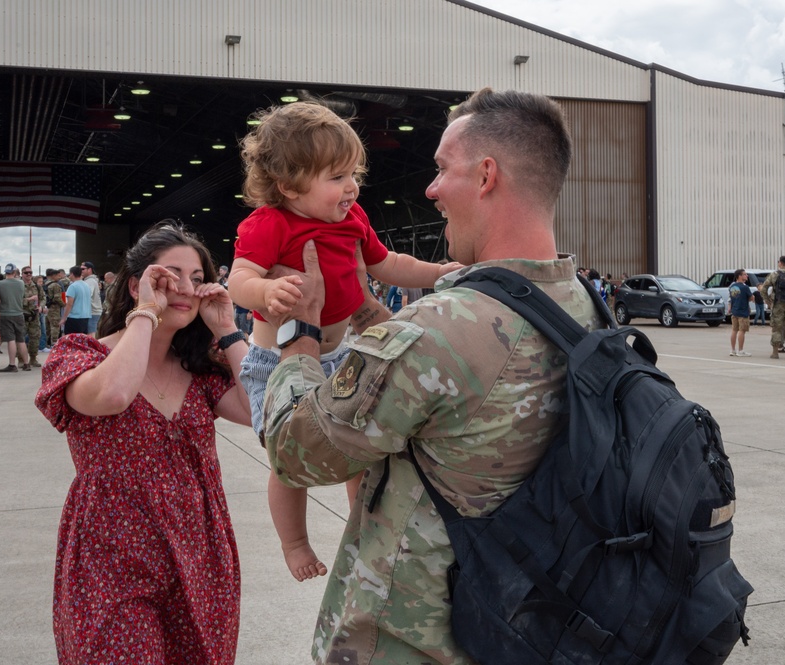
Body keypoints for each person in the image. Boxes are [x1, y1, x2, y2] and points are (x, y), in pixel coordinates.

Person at [262, 87, 605, 663]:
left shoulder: (439, 330)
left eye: (443, 168)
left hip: (416, 643)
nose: (430, 188)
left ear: (487, 175)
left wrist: (300, 334)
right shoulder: (588, 311)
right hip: (528, 625)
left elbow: (296, 452)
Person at [228, 100, 461, 581]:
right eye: (336, 177)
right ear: (290, 184)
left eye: (353, 173)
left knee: (360, 450)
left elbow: (388, 264)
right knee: (288, 462)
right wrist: (268, 290)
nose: (351, 186)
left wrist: (438, 273)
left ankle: (361, 528)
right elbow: (239, 280)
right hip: (277, 361)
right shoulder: (269, 225)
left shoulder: (352, 221)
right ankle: (294, 543)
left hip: (341, 356)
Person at [34, 222, 251, 664]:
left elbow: (260, 413)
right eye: (169, 276)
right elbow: (113, 396)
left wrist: (227, 330)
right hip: (112, 555)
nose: (185, 288)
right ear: (137, 284)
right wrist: (147, 314)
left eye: (196, 277)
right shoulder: (79, 355)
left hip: (200, 551)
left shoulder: (199, 368)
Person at [0, 263, 31, 372]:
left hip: (6, 314)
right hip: (19, 313)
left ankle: (12, 364)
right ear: (15, 272)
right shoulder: (20, 283)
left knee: (11, 340)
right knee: (21, 340)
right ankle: (26, 363)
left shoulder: (0, 284)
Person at [21, 266, 45, 367]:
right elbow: (15, 300)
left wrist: (41, 306)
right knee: (20, 338)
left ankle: (33, 358)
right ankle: (21, 359)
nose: (29, 274)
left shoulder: (37, 286)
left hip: (34, 315)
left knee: (35, 337)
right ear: (22, 274)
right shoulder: (19, 285)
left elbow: (43, 298)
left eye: (30, 272)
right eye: (26, 273)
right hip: (22, 315)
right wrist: (29, 300)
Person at [728, 268, 753, 357]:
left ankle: (732, 350)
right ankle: (740, 350)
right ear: (740, 276)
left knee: (734, 330)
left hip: (735, 311)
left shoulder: (732, 286)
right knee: (742, 331)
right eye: (745, 274)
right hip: (743, 311)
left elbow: (731, 299)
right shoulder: (745, 287)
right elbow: (751, 298)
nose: (747, 276)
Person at [59, 266, 91, 335]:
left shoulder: (73, 286)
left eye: (70, 274)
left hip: (74, 318)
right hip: (85, 317)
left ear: (72, 274)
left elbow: (69, 304)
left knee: (71, 340)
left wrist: (64, 318)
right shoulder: (87, 285)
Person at [80, 261, 103, 335]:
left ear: (89, 270)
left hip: (92, 312)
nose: (81, 270)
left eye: (83, 269)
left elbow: (87, 295)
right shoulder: (89, 280)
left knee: (91, 334)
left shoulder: (90, 281)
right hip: (92, 312)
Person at [44, 269, 65, 347]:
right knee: (55, 326)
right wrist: (64, 305)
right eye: (58, 275)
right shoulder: (55, 285)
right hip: (55, 308)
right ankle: (54, 343)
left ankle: (46, 343)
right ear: (53, 276)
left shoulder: (46, 284)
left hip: (47, 308)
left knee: (48, 327)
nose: (59, 277)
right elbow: (57, 298)